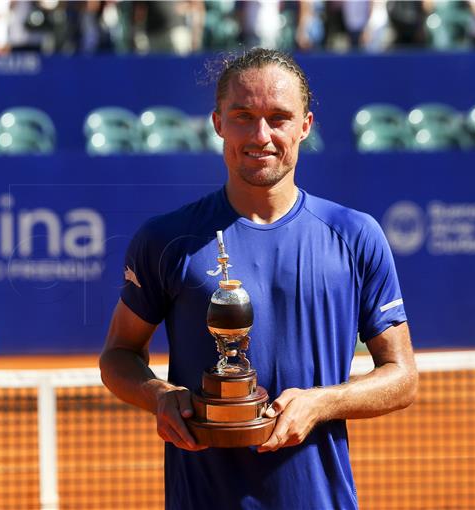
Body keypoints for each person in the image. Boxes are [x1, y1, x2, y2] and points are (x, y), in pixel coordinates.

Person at [99, 47, 418, 509]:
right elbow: (118, 354)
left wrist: (320, 403)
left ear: (305, 125)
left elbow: (402, 377)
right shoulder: (165, 238)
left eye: (279, 117)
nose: (261, 135)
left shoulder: (356, 235)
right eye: (243, 115)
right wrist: (160, 396)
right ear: (217, 123)